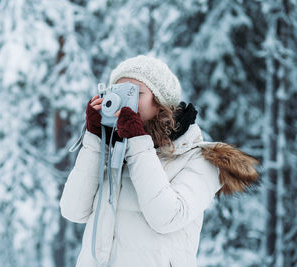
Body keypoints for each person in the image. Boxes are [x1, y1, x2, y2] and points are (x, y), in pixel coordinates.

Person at [59, 55, 260, 267]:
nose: (125, 102)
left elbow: (167, 218)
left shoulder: (201, 159)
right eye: (118, 92)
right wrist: (95, 139)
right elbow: (73, 210)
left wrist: (137, 141)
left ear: (161, 102)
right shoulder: (115, 152)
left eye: (134, 93)